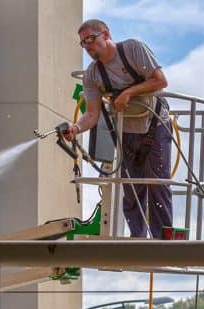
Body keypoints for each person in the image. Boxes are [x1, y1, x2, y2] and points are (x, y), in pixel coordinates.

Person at [65, 19, 172, 238]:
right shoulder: (92, 75)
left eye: (91, 39)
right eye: (83, 43)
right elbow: (92, 114)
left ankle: (164, 243)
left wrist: (128, 93)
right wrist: (76, 128)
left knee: (157, 186)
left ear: (106, 34)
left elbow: (160, 81)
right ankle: (137, 240)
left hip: (155, 124)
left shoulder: (133, 50)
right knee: (131, 189)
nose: (87, 46)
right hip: (127, 130)